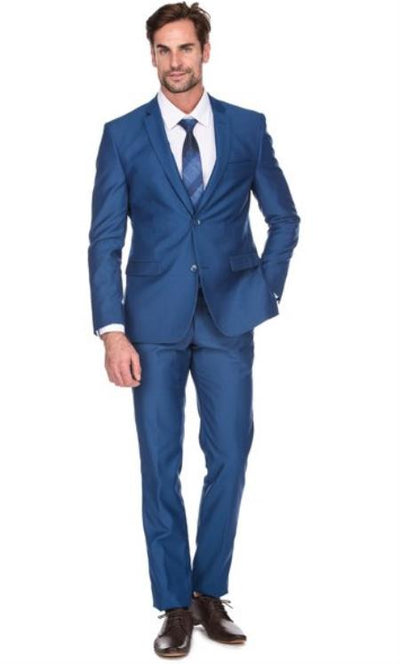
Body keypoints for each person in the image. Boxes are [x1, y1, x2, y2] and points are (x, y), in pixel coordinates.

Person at [88, 1, 300, 657]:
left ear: (206, 50)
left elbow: (284, 219)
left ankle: (210, 591)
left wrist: (263, 289)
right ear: (152, 55)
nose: (174, 61)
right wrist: (112, 330)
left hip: (228, 317)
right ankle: (174, 605)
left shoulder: (246, 127)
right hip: (149, 324)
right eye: (163, 49)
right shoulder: (123, 135)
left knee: (230, 454)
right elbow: (104, 241)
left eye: (185, 48)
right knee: (160, 463)